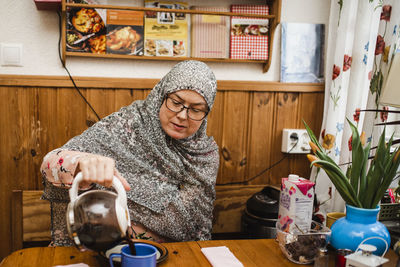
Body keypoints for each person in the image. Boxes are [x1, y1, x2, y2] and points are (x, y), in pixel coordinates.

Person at [40, 60, 220, 246]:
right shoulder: (128, 125)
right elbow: (49, 164)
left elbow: (197, 227)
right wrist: (81, 162)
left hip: (170, 254)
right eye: (175, 102)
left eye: (196, 110)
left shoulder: (204, 156)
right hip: (100, 249)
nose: (183, 115)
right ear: (161, 95)